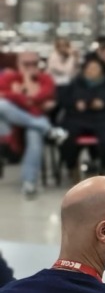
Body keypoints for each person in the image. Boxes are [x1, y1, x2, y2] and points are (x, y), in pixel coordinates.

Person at [0, 50, 66, 198]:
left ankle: (29, 183)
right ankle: (49, 130)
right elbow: (33, 102)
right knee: (2, 105)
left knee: (34, 133)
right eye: (26, 64)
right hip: (9, 126)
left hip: (33, 122)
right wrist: (27, 99)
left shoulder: (45, 79)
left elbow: (40, 98)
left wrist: (26, 82)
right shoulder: (9, 77)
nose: (31, 67)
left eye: (34, 63)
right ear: (18, 63)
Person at [57, 56, 105, 180]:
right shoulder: (74, 84)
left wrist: (104, 104)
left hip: (103, 119)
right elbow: (63, 101)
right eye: (89, 68)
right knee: (65, 136)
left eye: (95, 68)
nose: (91, 71)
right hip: (77, 118)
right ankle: (71, 166)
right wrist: (75, 104)